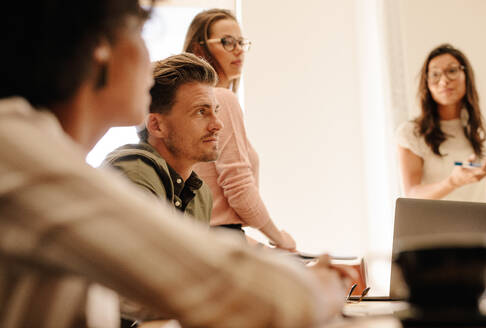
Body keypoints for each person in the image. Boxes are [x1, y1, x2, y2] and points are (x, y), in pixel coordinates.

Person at [0, 1, 355, 327]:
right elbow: (242, 294)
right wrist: (318, 284)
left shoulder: (38, 151)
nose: (149, 59)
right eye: (139, 34)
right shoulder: (17, 151)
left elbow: (147, 288)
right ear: (99, 48)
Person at [184, 9, 296, 250]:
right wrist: (279, 239)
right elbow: (238, 186)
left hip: (206, 241)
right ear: (199, 49)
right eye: (227, 42)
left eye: (241, 42)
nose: (238, 49)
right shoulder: (221, 100)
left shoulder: (192, 108)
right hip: (221, 241)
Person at [102, 53, 223, 224]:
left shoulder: (201, 194)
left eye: (216, 111)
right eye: (201, 112)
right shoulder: (132, 174)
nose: (217, 124)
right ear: (156, 126)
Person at [396, 43, 486, 201]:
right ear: (426, 83)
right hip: (435, 224)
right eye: (435, 74)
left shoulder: (479, 130)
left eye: (452, 71)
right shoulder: (411, 133)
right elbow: (411, 194)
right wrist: (452, 182)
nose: (444, 80)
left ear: (466, 76)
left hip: (477, 223)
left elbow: (485, 185)